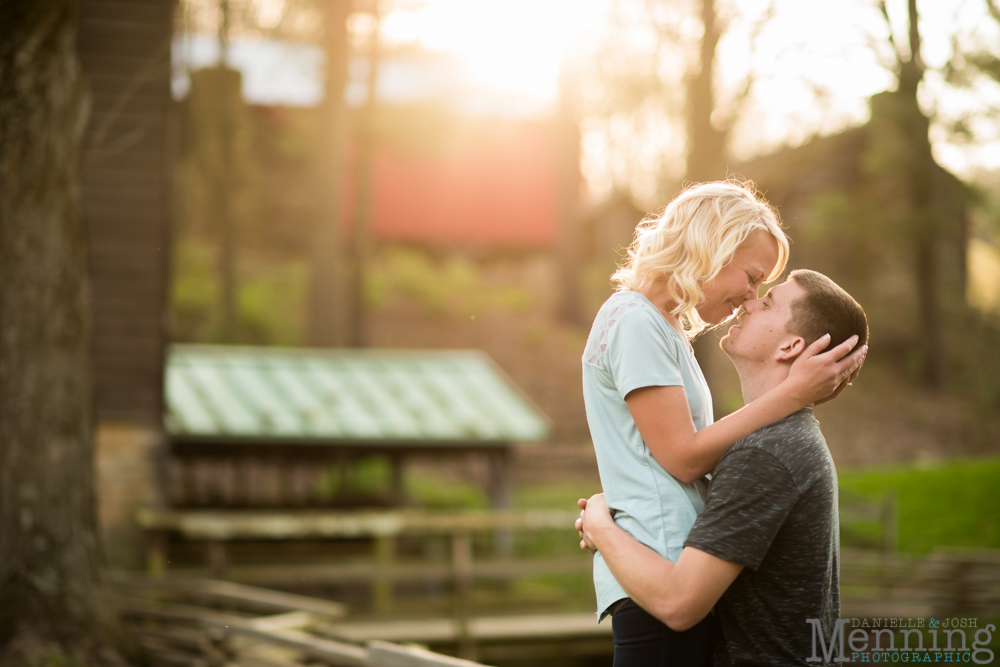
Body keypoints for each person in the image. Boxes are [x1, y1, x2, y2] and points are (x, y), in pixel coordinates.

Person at [581, 181, 866, 666]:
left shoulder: (662, 327)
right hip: (659, 559)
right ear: (712, 246)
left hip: (671, 562)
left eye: (765, 292)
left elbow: (681, 459)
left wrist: (606, 525)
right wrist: (792, 393)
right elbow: (683, 456)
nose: (751, 298)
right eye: (752, 277)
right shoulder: (633, 320)